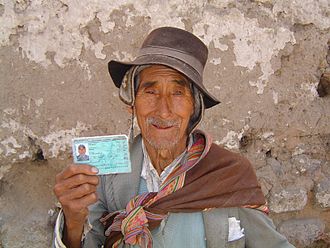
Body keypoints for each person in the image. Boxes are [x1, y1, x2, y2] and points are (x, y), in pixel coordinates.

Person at [53, 27, 295, 248]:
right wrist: (73, 224)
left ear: (194, 108)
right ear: (132, 103)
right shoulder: (107, 178)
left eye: (178, 93)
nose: (164, 110)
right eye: (151, 91)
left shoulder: (229, 176)